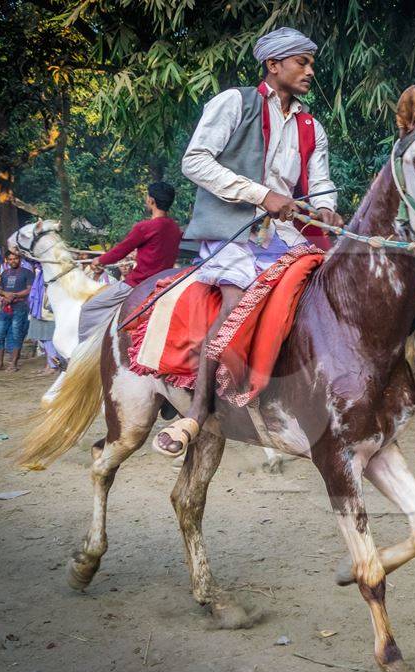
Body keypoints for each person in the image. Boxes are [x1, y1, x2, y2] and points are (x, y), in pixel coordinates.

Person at [153, 27, 342, 458]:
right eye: (302, 61)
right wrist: (261, 195)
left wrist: (326, 208)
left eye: (311, 63)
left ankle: (296, 400)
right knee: (239, 301)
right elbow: (194, 161)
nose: (310, 70)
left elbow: (323, 182)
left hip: (289, 234)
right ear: (273, 65)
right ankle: (196, 413)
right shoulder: (234, 102)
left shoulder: (313, 125)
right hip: (235, 231)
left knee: (328, 296)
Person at [79, 182, 184, 341]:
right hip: (164, 286)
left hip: (138, 284)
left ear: (151, 201)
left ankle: (85, 349)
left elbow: (120, 251)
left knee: (89, 308)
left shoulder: (145, 227)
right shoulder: (175, 228)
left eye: (147, 196)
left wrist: (99, 260)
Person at [0, 251, 35, 372]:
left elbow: (29, 290)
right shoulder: (4, 273)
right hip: (5, 307)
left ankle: (13, 363)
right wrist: (5, 294)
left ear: (19, 259)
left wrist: (13, 295)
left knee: (16, 334)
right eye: (10, 259)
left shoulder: (27, 273)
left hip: (20, 307)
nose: (13, 261)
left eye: (15, 258)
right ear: (7, 260)